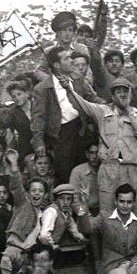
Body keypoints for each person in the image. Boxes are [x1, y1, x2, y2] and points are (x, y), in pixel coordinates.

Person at [62, 75, 137, 216]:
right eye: (118, 91)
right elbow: (82, 105)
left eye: (125, 91)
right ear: (113, 96)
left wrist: (129, 113)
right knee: (107, 212)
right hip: (109, 167)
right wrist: (68, 89)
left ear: (130, 94)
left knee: (134, 212)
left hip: (131, 168)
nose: (122, 94)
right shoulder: (103, 111)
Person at [31, 45, 102, 184]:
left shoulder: (77, 79)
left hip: (81, 130)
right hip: (61, 136)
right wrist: (38, 142)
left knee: (84, 170)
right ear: (57, 65)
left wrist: (108, 105)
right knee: (65, 173)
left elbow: (92, 97)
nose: (71, 61)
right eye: (67, 58)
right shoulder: (43, 88)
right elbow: (38, 118)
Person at [0, 150, 47, 274]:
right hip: (12, 253)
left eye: (40, 191)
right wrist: (14, 163)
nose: (37, 193)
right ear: (28, 193)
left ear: (45, 194)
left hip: (26, 257)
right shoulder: (24, 204)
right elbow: (16, 186)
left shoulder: (43, 214)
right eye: (34, 190)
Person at [34, 11, 90, 83]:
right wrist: (54, 82)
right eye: (63, 30)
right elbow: (39, 71)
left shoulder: (81, 49)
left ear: (73, 32)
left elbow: (88, 72)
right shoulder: (49, 51)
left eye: (70, 30)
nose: (67, 34)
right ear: (57, 32)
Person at [0, 81, 34, 168]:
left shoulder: (37, 106)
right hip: (25, 148)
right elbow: (0, 125)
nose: (17, 98)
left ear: (27, 93)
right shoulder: (12, 112)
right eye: (14, 96)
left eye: (19, 94)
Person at [69, 141, 100, 216]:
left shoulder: (106, 171)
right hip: (83, 211)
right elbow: (74, 200)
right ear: (87, 154)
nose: (95, 156)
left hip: (102, 212)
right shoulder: (78, 171)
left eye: (97, 153)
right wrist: (84, 214)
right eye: (91, 153)